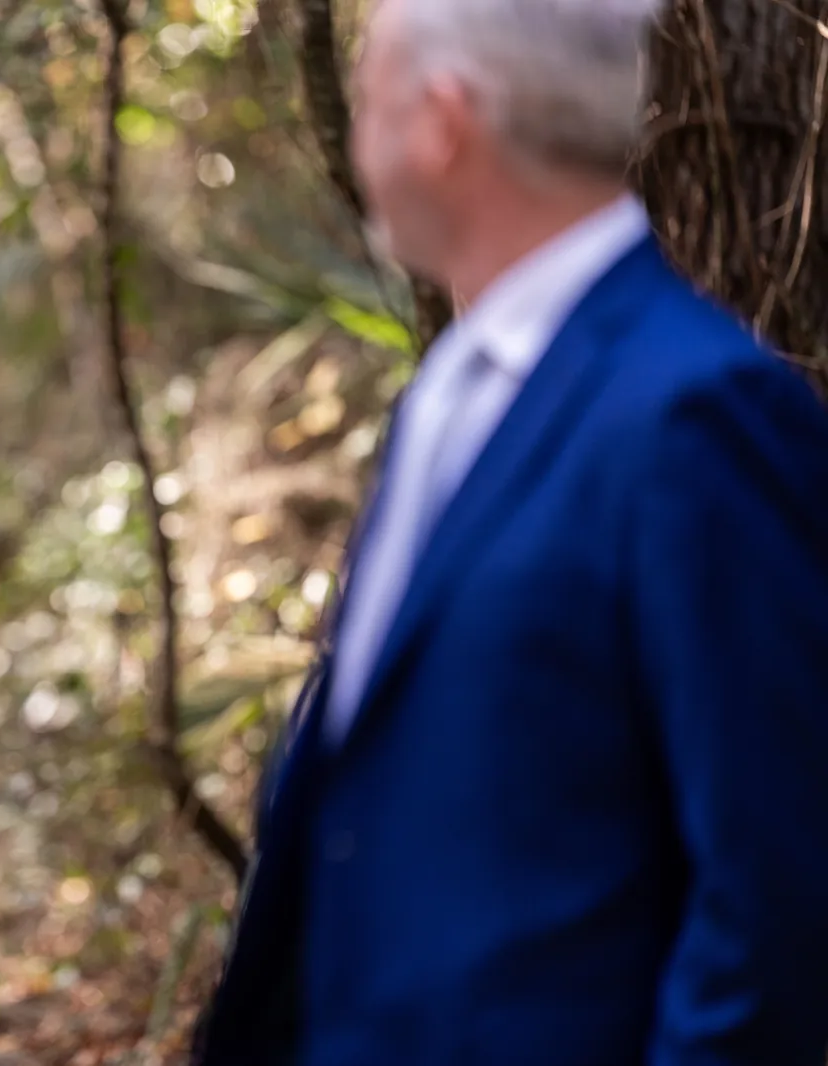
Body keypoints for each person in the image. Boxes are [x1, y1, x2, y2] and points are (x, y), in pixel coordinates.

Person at [194, 1, 828, 1063]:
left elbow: (776, 885)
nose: (359, 139)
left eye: (367, 97)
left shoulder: (699, 411)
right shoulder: (456, 386)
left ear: (441, 121)